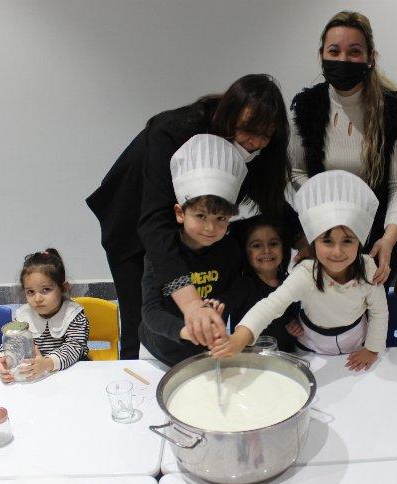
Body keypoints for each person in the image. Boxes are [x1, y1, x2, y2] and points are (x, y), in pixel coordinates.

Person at [86, 74, 291, 359]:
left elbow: (273, 200)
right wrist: (191, 306)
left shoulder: (256, 151)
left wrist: (307, 241)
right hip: (133, 223)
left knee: (193, 322)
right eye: (248, 130)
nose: (255, 142)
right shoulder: (172, 131)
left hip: (188, 229)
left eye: (266, 135)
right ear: (228, 115)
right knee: (140, 320)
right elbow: (154, 224)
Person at [289, 11, 397, 286]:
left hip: (378, 241)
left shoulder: (395, 112)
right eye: (334, 51)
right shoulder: (306, 107)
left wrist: (388, 239)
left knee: (373, 318)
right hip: (325, 237)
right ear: (321, 55)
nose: (342, 59)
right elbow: (297, 173)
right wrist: (324, 219)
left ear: (370, 57)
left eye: (354, 52)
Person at [216, 170, 388, 372]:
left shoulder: (367, 267)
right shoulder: (306, 273)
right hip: (310, 345)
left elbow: (379, 310)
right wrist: (239, 337)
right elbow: (271, 305)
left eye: (347, 241)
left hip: (355, 342)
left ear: (359, 242)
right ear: (313, 242)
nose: (337, 251)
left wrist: (372, 349)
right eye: (327, 241)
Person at [137, 134, 245, 367]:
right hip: (158, 349)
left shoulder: (230, 249)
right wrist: (186, 330)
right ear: (179, 213)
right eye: (201, 215)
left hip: (204, 349)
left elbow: (235, 289)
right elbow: (150, 313)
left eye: (220, 219)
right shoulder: (164, 253)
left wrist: (221, 302)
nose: (210, 227)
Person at [0, 249, 89, 383]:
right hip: (36, 378)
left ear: (63, 288)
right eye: (31, 292)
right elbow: (11, 344)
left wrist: (47, 363)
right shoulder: (23, 315)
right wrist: (2, 359)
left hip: (71, 375)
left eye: (46, 290)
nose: (37, 298)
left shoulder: (73, 314)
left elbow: (75, 347)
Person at [222, 216, 302, 352]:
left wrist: (295, 324)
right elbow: (223, 306)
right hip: (250, 363)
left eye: (273, 243)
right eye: (256, 245)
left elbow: (294, 316)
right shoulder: (241, 286)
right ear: (245, 252)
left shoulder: (290, 282)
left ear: (284, 247)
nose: (266, 250)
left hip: (287, 357)